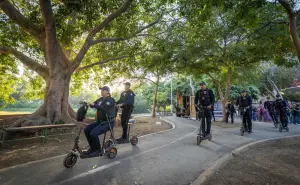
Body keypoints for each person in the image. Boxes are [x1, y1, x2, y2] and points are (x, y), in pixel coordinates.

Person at [82, 86, 116, 157]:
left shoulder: (110, 100)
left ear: (107, 92)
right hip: (100, 122)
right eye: (101, 90)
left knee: (93, 133)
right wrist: (89, 104)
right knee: (86, 130)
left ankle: (98, 150)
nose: (101, 91)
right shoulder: (100, 99)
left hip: (108, 123)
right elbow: (94, 104)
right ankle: (93, 148)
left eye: (103, 90)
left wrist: (95, 105)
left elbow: (104, 109)